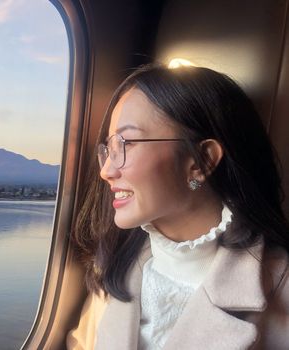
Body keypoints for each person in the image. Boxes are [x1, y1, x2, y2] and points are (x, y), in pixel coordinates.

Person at [66, 64, 289, 349]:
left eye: (127, 143)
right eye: (108, 148)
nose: (106, 171)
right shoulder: (113, 268)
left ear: (202, 160)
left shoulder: (280, 290)